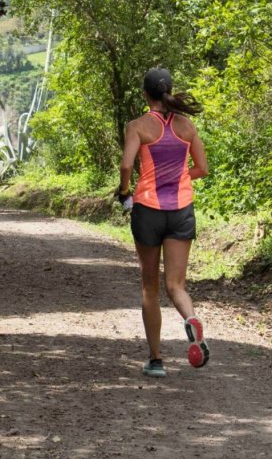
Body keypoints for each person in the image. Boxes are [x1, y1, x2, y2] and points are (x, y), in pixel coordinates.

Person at [116, 67, 210, 378]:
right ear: (169, 91)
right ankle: (191, 319)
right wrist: (180, 177)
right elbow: (202, 168)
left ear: (146, 94)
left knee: (149, 286)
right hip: (181, 209)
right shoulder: (186, 126)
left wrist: (125, 191)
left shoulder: (138, 126)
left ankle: (156, 360)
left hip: (149, 210)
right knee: (176, 285)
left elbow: (127, 164)